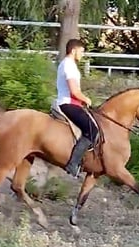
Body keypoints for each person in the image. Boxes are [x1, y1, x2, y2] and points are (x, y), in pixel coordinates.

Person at [56, 38, 98, 177]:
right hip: (69, 104)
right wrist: (86, 99)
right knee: (92, 130)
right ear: (73, 50)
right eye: (81, 51)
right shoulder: (69, 65)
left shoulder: (67, 64)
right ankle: (73, 164)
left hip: (71, 102)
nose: (82, 54)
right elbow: (74, 91)